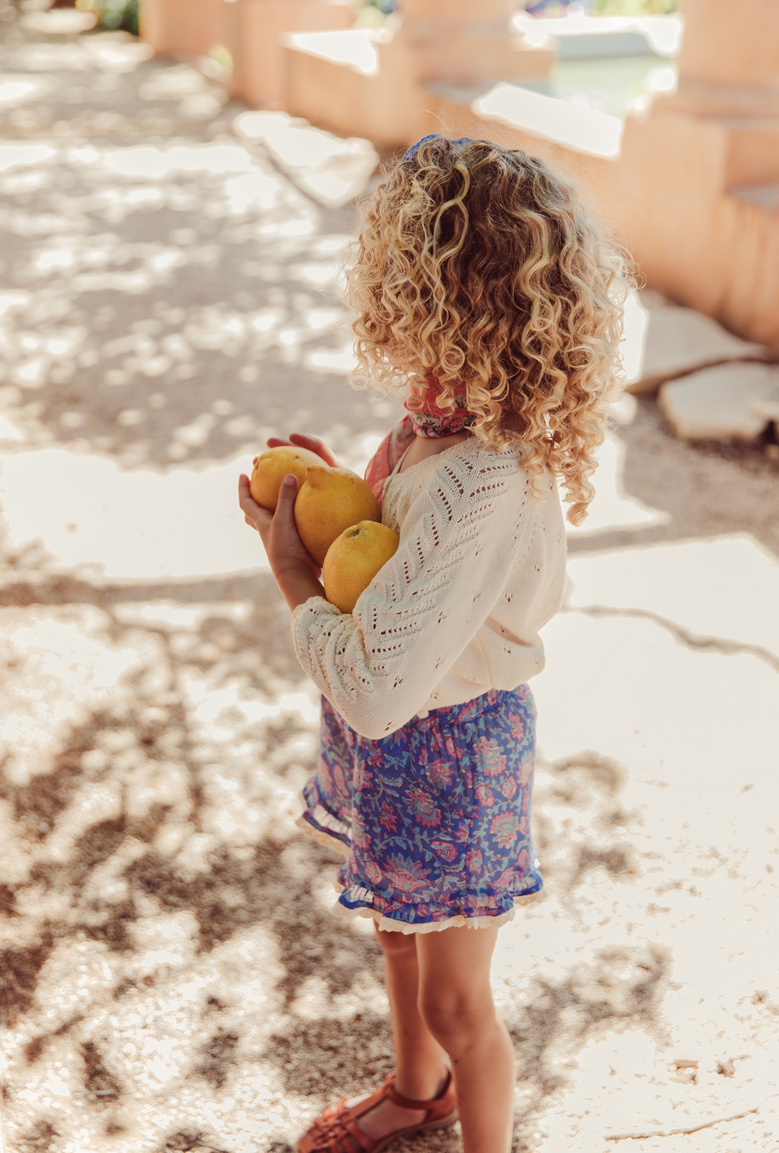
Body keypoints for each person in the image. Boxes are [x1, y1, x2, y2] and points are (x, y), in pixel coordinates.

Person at [238, 135, 626, 1153]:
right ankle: (417, 1093)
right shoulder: (437, 427)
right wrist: (337, 502)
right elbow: (399, 559)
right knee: (396, 930)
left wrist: (289, 573)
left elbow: (373, 687)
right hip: (409, 745)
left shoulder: (480, 476)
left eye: (400, 276)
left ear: (432, 294)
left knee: (459, 1002)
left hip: (450, 751)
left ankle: (476, 1128)